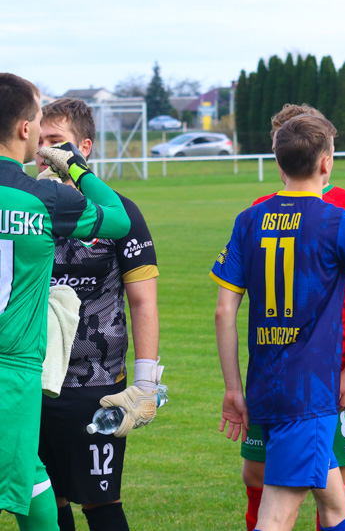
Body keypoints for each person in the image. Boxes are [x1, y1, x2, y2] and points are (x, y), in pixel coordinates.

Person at [212, 113, 345, 531]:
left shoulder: (250, 220)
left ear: (278, 164)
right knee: (277, 515)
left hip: (266, 384)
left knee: (334, 504)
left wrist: (232, 388)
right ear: (326, 163)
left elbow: (224, 311)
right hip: (310, 394)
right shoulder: (338, 221)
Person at [0, 73, 130, 530]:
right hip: (13, 376)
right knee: (32, 494)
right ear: (24, 129)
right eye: (38, 120)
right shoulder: (41, 197)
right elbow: (117, 220)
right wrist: (76, 168)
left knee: (37, 492)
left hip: (22, 377)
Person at [31, 98, 162, 531]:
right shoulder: (25, 209)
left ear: (84, 148)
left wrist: (145, 381)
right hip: (32, 380)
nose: (46, 152)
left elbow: (143, 300)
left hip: (96, 384)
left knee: (102, 506)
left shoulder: (120, 215)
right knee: (48, 501)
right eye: (41, 140)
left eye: (58, 142)